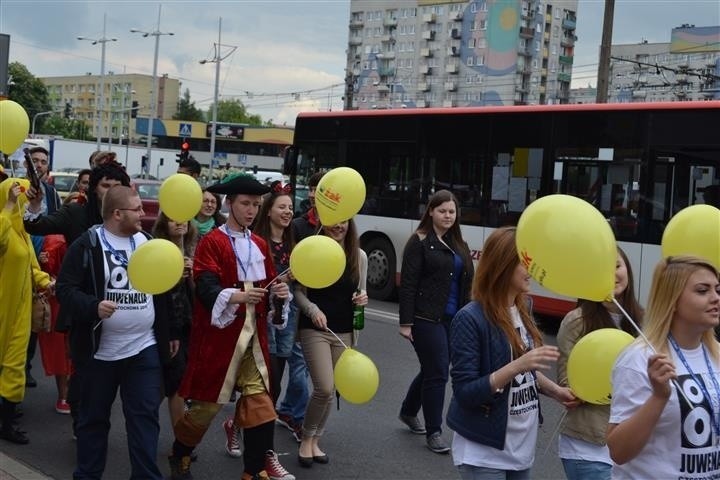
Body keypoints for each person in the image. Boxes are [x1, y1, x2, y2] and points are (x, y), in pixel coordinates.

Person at [169, 173, 295, 480]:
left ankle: (253, 471)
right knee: (205, 409)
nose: (251, 210)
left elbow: (267, 287)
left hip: (254, 341)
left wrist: (279, 295)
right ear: (230, 203)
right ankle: (180, 453)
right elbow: (205, 286)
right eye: (245, 203)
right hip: (219, 341)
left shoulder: (260, 244)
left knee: (261, 407)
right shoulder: (212, 242)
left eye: (256, 204)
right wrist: (239, 296)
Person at [55, 185, 178, 479]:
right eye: (137, 209)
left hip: (143, 348)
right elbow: (65, 289)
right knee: (93, 421)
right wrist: (93, 306)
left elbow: (163, 293)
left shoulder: (148, 242)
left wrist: (170, 331)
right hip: (100, 352)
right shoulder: (88, 245)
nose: (143, 213)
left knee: (145, 421)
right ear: (117, 213)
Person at [447, 226, 577, 479]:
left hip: (520, 450)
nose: (532, 269)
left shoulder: (523, 306)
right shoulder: (470, 318)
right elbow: (465, 392)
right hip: (483, 452)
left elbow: (525, 373)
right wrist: (518, 364)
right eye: (525, 261)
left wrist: (557, 392)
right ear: (503, 266)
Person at [608, 256, 720, 479]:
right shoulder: (639, 359)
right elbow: (618, 451)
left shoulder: (716, 354)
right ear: (673, 300)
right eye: (702, 290)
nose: (715, 298)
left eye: (717, 289)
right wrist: (659, 397)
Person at [556, 247, 644, 480]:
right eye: (602, 270)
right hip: (590, 447)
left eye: (617, 266)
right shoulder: (576, 322)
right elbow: (568, 385)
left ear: (628, 269)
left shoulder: (645, 321)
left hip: (634, 447)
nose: (612, 275)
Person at [398, 189, 474, 453]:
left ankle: (408, 410)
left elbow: (468, 284)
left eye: (452, 211)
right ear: (430, 211)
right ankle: (435, 431)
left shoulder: (459, 245)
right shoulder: (419, 242)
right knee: (440, 371)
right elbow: (408, 285)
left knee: (433, 369)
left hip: (455, 319)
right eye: (442, 211)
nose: (447, 216)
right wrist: (405, 322)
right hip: (425, 317)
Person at [295, 218, 368, 468]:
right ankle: (305, 438)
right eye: (334, 221)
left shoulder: (359, 256)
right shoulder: (312, 249)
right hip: (314, 328)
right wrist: (312, 309)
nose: (339, 226)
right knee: (323, 387)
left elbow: (361, 291)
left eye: (345, 222)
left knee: (333, 388)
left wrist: (362, 299)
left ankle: (316, 439)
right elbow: (297, 292)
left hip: (344, 331)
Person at [0, 178, 53, 444]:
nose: (25, 205)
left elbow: (32, 266)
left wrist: (47, 282)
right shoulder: (4, 226)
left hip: (20, 310)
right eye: (23, 199)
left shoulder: (22, 232)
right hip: (1, 308)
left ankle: (6, 422)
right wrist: (8, 204)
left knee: (14, 366)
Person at [253, 182, 303, 440]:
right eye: (282, 206)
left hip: (287, 316)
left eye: (291, 208)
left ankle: (247, 427)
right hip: (263, 316)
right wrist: (277, 282)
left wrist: (295, 278)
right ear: (269, 210)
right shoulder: (257, 242)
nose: (287, 212)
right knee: (266, 381)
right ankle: (261, 440)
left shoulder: (295, 244)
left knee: (278, 377)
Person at [151, 213, 198, 428]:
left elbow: (196, 294)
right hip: (169, 326)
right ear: (163, 224)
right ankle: (180, 438)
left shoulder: (192, 250)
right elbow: (158, 293)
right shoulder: (158, 250)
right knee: (173, 383)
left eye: (183, 218)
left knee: (178, 382)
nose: (179, 222)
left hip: (189, 325)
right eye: (173, 219)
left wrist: (192, 276)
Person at [24, 146, 62, 388]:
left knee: (36, 318)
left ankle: (25, 367)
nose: (38, 165)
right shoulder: (15, 188)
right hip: (19, 259)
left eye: (43, 162)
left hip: (43, 263)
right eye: (35, 161)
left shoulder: (51, 192)